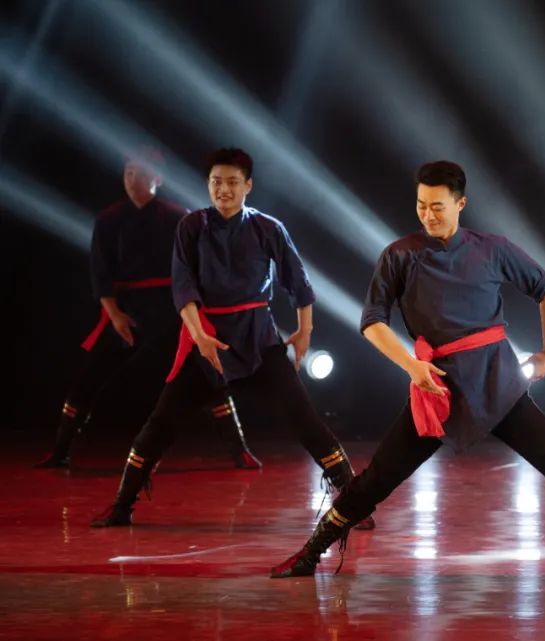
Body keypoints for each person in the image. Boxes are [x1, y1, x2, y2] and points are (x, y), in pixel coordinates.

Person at [270, 161, 545, 582]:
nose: (428, 214)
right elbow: (372, 322)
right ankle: (310, 554)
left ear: (460, 204)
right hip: (437, 389)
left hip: (497, 384)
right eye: (421, 205)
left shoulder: (491, 248)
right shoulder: (399, 255)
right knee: (376, 479)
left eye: (437, 206)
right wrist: (412, 366)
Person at [90, 148, 369, 529]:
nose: (224, 189)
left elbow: (299, 284)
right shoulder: (191, 226)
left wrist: (304, 331)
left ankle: (355, 504)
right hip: (207, 339)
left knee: (305, 419)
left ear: (247, 186)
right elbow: (183, 288)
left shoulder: (268, 228)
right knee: (160, 423)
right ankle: (121, 506)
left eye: (232, 182)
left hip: (258, 339)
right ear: (208, 185)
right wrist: (200, 337)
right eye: (216, 182)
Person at [35, 148, 259, 470]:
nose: (133, 180)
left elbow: (194, 269)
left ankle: (240, 451)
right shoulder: (109, 219)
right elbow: (100, 273)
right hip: (127, 310)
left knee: (209, 371)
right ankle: (60, 451)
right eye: (129, 173)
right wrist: (115, 316)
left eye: (140, 173)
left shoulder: (178, 217)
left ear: (157, 178)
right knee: (89, 375)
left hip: (172, 307)